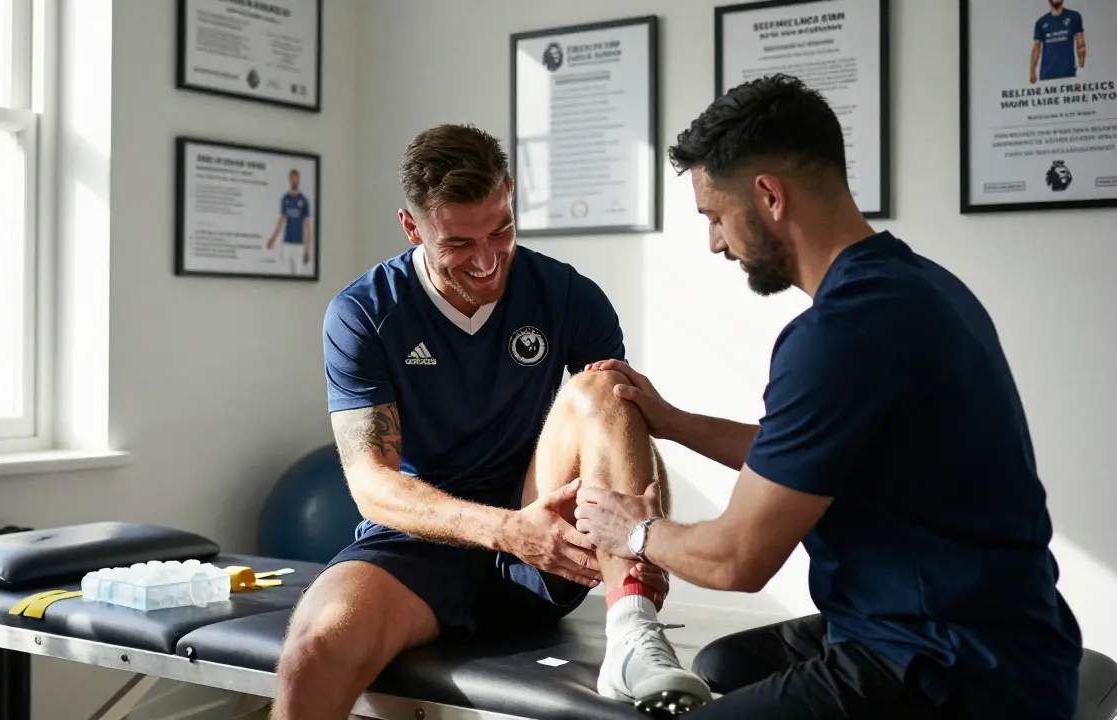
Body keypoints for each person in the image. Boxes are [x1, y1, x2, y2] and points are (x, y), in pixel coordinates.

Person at [574, 74, 1084, 719]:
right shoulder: (921, 287)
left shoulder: (838, 334)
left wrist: (635, 530)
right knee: (721, 665)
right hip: (1011, 628)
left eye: (715, 217)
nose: (715, 243)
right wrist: (673, 422)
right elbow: (810, 452)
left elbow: (736, 560)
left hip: (947, 667)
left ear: (768, 196)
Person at [270, 123, 713, 719]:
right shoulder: (365, 313)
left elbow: (617, 427)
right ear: (412, 227)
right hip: (424, 540)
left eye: (501, 230)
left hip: (549, 532)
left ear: (508, 195)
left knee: (604, 384)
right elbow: (372, 484)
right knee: (310, 654)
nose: (486, 260)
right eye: (457, 243)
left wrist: (640, 542)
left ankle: (631, 630)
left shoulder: (567, 296)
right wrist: (507, 529)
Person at [266, 168, 312, 274]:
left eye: (296, 179)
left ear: (299, 180)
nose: (294, 181)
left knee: (298, 274)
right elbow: (281, 221)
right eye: (292, 179)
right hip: (287, 243)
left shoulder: (304, 201)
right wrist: (273, 239)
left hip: (299, 244)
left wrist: (307, 249)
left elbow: (307, 226)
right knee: (284, 273)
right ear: (289, 180)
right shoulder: (285, 199)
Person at [1032, 0, 1086, 84]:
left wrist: (1081, 64)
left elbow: (1080, 43)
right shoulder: (1041, 22)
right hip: (1047, 74)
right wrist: (1032, 71)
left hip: (1068, 73)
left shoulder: (1074, 17)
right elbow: (1036, 47)